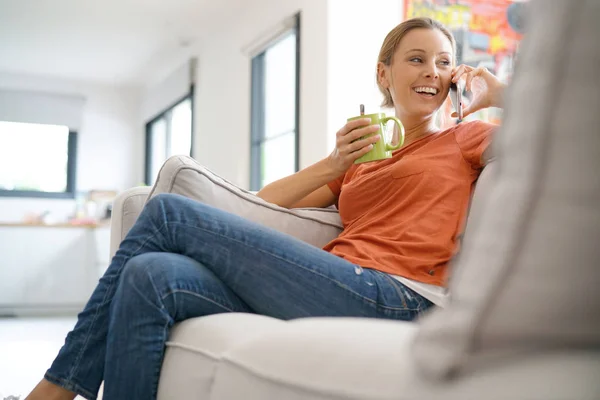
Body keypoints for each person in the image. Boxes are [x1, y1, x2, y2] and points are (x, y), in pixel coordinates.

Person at [26, 17, 506, 400]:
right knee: (150, 274)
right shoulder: (364, 156)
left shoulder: (467, 138)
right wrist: (335, 162)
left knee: (169, 212)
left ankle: (54, 390)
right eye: (417, 59)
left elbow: (557, 141)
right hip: (336, 283)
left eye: (444, 63)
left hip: (396, 296)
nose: (432, 73)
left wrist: (498, 94)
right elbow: (261, 204)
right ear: (384, 74)